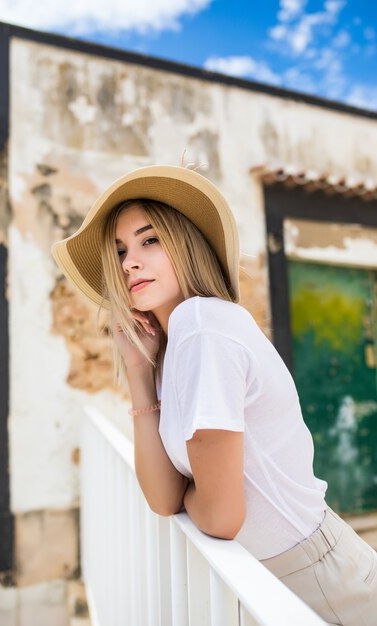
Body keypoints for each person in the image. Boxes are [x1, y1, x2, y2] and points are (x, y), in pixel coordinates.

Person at [52, 163, 377, 625]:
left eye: (150, 240)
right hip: (267, 581)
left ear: (185, 244)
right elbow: (164, 498)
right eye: (121, 251)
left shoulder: (203, 326)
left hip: (321, 581)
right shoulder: (174, 348)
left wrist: (194, 492)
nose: (129, 262)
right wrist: (140, 374)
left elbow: (221, 514)